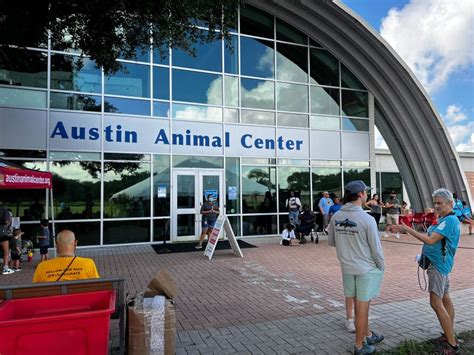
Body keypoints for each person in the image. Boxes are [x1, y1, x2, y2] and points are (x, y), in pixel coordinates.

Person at [399, 188, 461, 354]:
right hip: (438, 263)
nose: (436, 206)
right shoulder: (444, 218)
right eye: (435, 203)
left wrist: (408, 229)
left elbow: (431, 240)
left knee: (436, 303)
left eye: (439, 203)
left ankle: (452, 345)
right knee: (445, 297)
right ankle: (449, 334)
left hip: (438, 265)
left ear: (450, 203)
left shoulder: (449, 221)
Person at [328, 180, 385, 354]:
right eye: (365, 192)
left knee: (356, 303)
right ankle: (360, 345)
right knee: (362, 308)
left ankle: (367, 334)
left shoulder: (336, 216)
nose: (367, 194)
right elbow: (376, 249)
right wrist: (381, 266)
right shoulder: (367, 219)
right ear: (360, 194)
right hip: (365, 268)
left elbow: (331, 241)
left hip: (346, 267)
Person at [33, 230, 100, 283]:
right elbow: (98, 287)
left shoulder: (42, 267)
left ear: (56, 244)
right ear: (75, 243)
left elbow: (35, 293)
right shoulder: (88, 264)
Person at [0, 200, 14, 275]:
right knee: (6, 251)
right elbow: (6, 221)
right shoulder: (5, 211)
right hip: (2, 233)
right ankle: (5, 268)